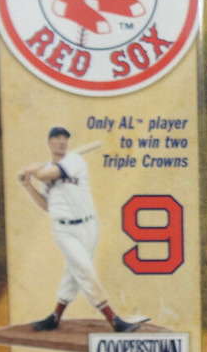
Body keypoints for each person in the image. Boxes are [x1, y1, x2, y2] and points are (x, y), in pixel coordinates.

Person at [17, 126, 144, 333]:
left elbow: (46, 174)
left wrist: (32, 170)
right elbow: (47, 205)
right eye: (57, 138)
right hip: (64, 230)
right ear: (49, 143)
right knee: (84, 269)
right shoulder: (45, 170)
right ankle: (114, 319)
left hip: (89, 226)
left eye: (64, 138)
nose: (61, 141)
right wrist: (28, 186)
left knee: (74, 271)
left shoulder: (74, 160)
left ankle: (55, 317)